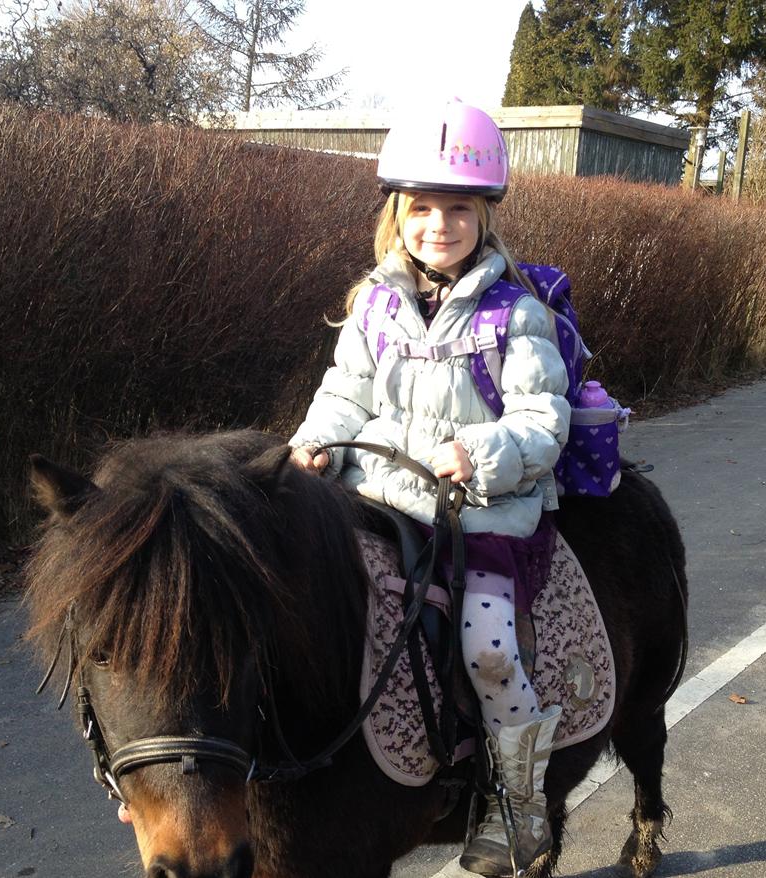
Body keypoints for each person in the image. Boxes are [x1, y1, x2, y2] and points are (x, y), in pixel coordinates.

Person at [289, 99, 568, 877]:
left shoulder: (517, 314)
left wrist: (480, 453)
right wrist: (314, 442)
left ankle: (520, 806)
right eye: (421, 208)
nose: (438, 225)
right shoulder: (374, 305)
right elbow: (346, 392)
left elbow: (544, 420)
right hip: (378, 495)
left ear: (485, 216)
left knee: (487, 648)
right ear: (397, 215)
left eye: (457, 209)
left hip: (482, 509)